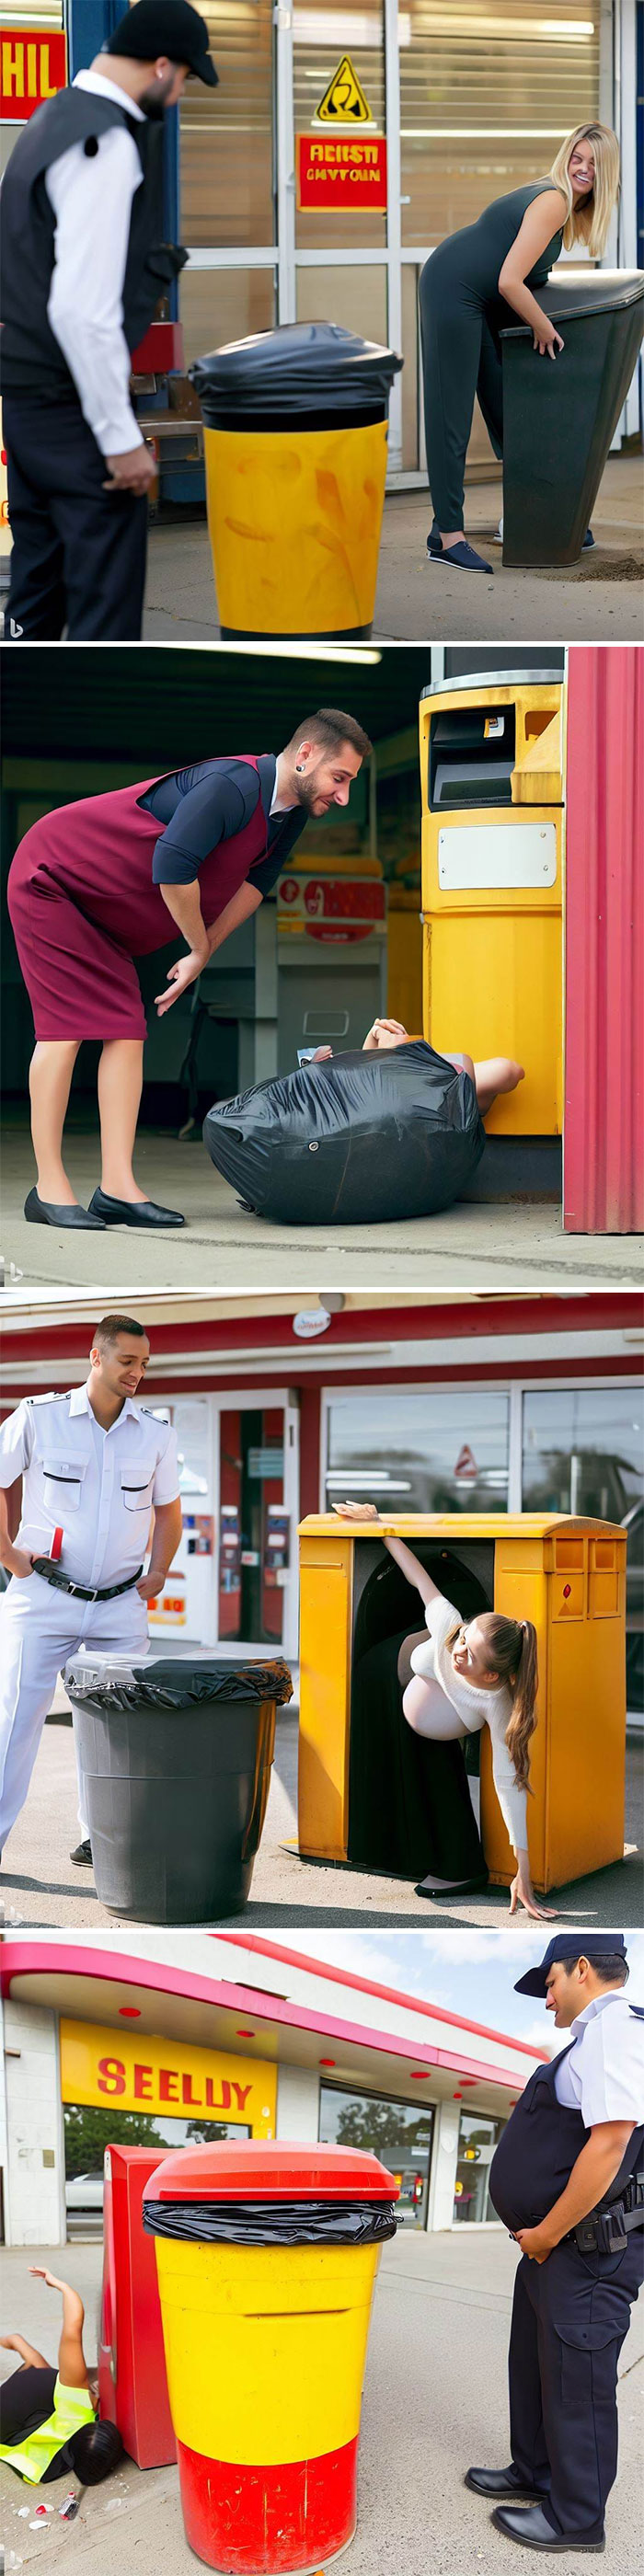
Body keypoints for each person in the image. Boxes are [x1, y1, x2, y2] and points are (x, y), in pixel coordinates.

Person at [7, 707, 371, 1230]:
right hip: (53, 881)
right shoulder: (231, 785)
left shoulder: (285, 814)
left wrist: (206, 951)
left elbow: (254, 887)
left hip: (101, 910)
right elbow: (173, 868)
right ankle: (48, 1190)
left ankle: (116, 1189)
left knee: (126, 1033)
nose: (343, 796)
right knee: (66, 1032)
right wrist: (196, 948)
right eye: (340, 778)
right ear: (306, 755)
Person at [0, 1, 218, 641]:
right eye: (181, 79)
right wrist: (118, 436)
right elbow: (80, 308)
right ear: (158, 65)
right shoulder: (107, 141)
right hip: (72, 409)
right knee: (105, 605)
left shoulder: (51, 119)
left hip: (27, 397)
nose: (177, 96)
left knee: (37, 590)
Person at [466, 1935, 644, 2553]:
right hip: (553, 2251)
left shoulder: (619, 2027)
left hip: (584, 2252)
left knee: (577, 2385)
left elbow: (609, 2144)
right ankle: (535, 2473)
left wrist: (545, 2232)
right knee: (535, 2369)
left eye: (549, 1984)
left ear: (584, 1968)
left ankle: (576, 2520)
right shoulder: (590, 2039)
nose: (546, 1999)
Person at [0, 1312, 182, 1876]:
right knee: (13, 1727)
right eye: (128, 1361)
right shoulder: (39, 1417)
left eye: (145, 1364)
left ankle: (99, 1840)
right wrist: (8, 1558)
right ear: (95, 1356)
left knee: (120, 1733)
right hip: (42, 1599)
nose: (137, 1373)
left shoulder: (156, 1432)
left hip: (120, 1608)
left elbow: (168, 1512)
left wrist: (160, 1570)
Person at [334, 1501, 553, 1920]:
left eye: (470, 1656)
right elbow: (420, 1579)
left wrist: (522, 1872)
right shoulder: (449, 1627)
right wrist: (380, 1524)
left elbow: (508, 1786)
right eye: (464, 1641)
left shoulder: (497, 1702)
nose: (459, 1653)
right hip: (389, 1664)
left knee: (430, 1759)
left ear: (491, 1678)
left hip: (425, 1700)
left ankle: (453, 1863)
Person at [419, 122, 620, 571]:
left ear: (607, 174)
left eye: (594, 164)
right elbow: (510, 279)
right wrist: (543, 327)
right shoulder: (553, 200)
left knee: (511, 411)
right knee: (450, 416)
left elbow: (520, 273)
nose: (583, 169)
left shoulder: (567, 208)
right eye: (577, 158)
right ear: (566, 156)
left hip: (482, 300)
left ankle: (535, 517)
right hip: (453, 290)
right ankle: (446, 537)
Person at [0, 2265, 122, 2487]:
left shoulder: (79, 2393)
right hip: (25, 2412)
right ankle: (15, 2341)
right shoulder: (69, 2442)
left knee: (40, 2368)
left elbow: (73, 2327)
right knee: (38, 2369)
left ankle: (14, 2342)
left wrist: (60, 2285)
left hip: (18, 2409)